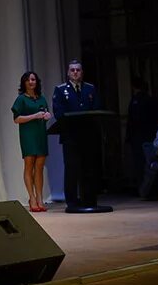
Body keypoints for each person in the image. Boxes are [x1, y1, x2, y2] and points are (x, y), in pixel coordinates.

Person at [52, 59, 102, 209]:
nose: (75, 72)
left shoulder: (90, 89)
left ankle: (89, 200)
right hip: (71, 137)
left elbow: (96, 108)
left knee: (89, 169)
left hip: (88, 136)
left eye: (78, 70)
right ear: (68, 73)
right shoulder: (60, 90)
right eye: (72, 70)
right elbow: (59, 112)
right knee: (72, 170)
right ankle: (72, 202)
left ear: (82, 72)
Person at [12, 71, 51, 212]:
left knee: (40, 166)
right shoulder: (21, 99)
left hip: (40, 134)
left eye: (33, 79)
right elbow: (16, 119)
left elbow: (46, 112)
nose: (31, 82)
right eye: (28, 80)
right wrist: (34, 116)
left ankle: (40, 197)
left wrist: (47, 116)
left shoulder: (41, 98)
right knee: (29, 164)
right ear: (24, 83)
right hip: (28, 135)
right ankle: (32, 197)